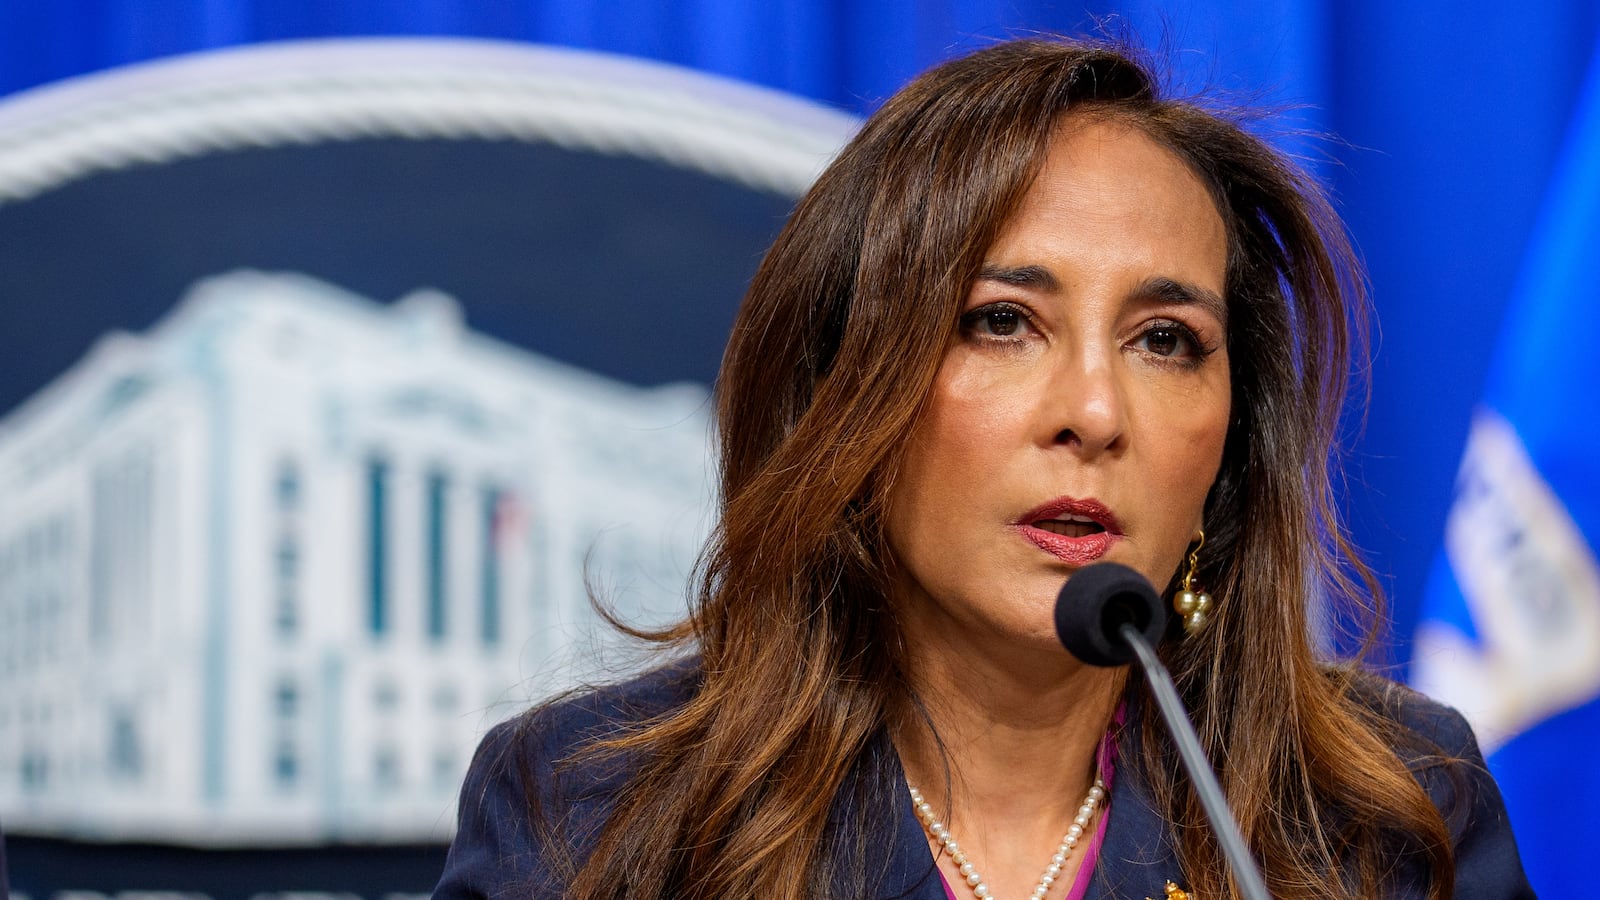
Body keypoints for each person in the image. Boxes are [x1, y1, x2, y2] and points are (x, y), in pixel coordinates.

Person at [435, 37, 1533, 900]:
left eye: (1164, 341)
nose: (1095, 414)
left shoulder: (1388, 818)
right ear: (846, 391)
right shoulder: (593, 814)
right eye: (1002, 322)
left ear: (1230, 447)